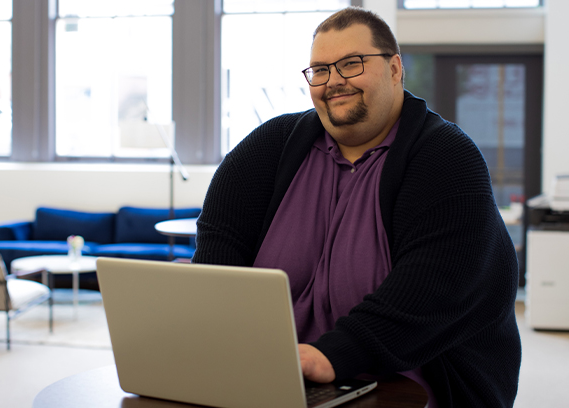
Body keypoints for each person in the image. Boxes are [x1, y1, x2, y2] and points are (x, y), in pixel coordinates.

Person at [192, 6, 521, 407]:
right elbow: (217, 262)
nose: (334, 82)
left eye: (351, 64)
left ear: (396, 69)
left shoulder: (447, 158)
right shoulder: (265, 149)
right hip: (277, 378)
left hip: (411, 380)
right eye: (320, 70)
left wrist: (334, 354)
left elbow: (434, 290)